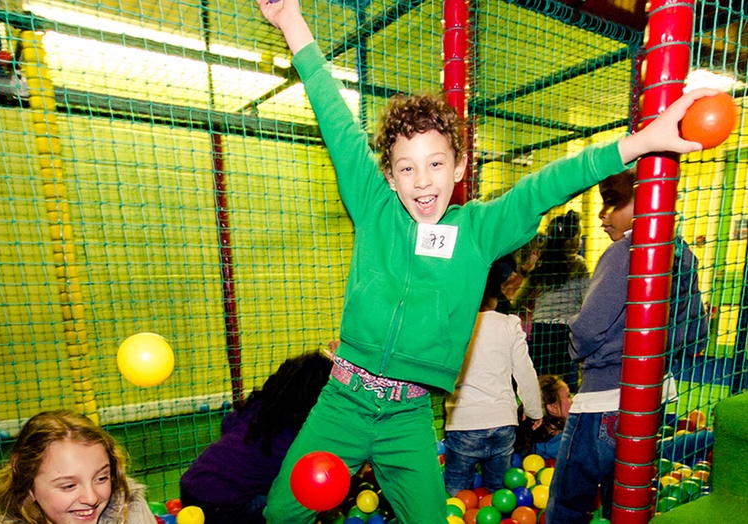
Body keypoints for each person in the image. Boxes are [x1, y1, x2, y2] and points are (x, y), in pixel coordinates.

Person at [256, 0, 714, 520]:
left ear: (460, 167)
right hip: (343, 402)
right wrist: (291, 20)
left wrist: (640, 143)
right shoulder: (375, 209)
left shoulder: (474, 232)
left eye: (435, 164)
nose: (422, 180)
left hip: (408, 416)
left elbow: (541, 188)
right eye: (406, 168)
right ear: (388, 176)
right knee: (281, 513)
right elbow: (337, 122)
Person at [545, 168, 709, 523]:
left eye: (612, 203)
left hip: (603, 402)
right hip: (651, 399)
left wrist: (581, 346)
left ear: (647, 202)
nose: (603, 215)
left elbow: (589, 328)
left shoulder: (625, 252)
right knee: (627, 498)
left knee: (568, 500)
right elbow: (695, 332)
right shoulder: (680, 253)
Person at [179, 351, 332, 524]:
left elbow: (227, 424)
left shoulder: (261, 409)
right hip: (219, 506)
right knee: (291, 504)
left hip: (189, 488)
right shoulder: (293, 439)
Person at [443, 266, 544, 495]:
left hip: (464, 423)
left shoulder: (454, 327)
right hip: (502, 423)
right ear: (494, 296)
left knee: (456, 493)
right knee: (498, 494)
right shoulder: (509, 324)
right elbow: (525, 372)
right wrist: (534, 410)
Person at [0, 410, 152, 524]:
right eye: (68, 486)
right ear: (26, 479)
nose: (91, 498)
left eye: (101, 478)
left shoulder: (129, 509)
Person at [513, 210, 589, 389]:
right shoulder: (578, 264)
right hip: (564, 330)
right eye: (577, 236)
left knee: (543, 381)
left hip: (541, 331)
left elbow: (518, 299)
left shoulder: (542, 264)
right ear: (570, 241)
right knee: (564, 382)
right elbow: (586, 298)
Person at [515, 374, 572, 460]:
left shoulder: (521, 440)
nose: (573, 400)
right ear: (553, 408)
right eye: (568, 396)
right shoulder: (571, 442)